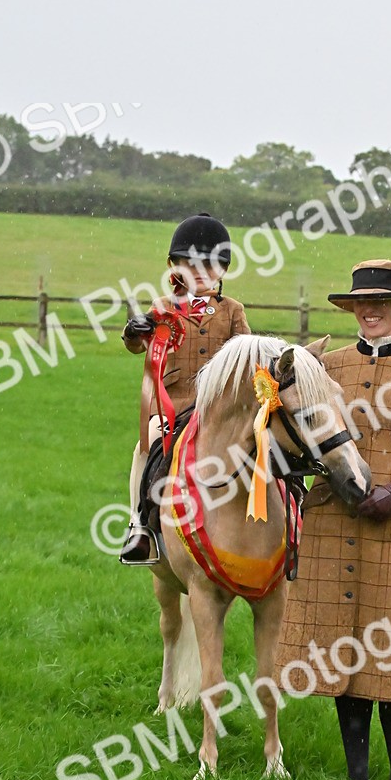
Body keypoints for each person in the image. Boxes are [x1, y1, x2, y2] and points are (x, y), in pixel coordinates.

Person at [274, 259, 391, 780]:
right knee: (343, 653)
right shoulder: (322, 368)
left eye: (381, 301)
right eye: (361, 302)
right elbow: (297, 437)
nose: (370, 310)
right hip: (331, 525)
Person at [119, 212, 250, 564]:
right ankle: (139, 527)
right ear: (172, 265)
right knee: (144, 446)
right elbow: (139, 347)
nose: (200, 271)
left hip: (217, 408)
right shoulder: (162, 307)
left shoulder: (233, 311)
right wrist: (134, 332)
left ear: (224, 269)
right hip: (171, 407)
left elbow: (246, 352)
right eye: (189, 264)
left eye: (211, 265)